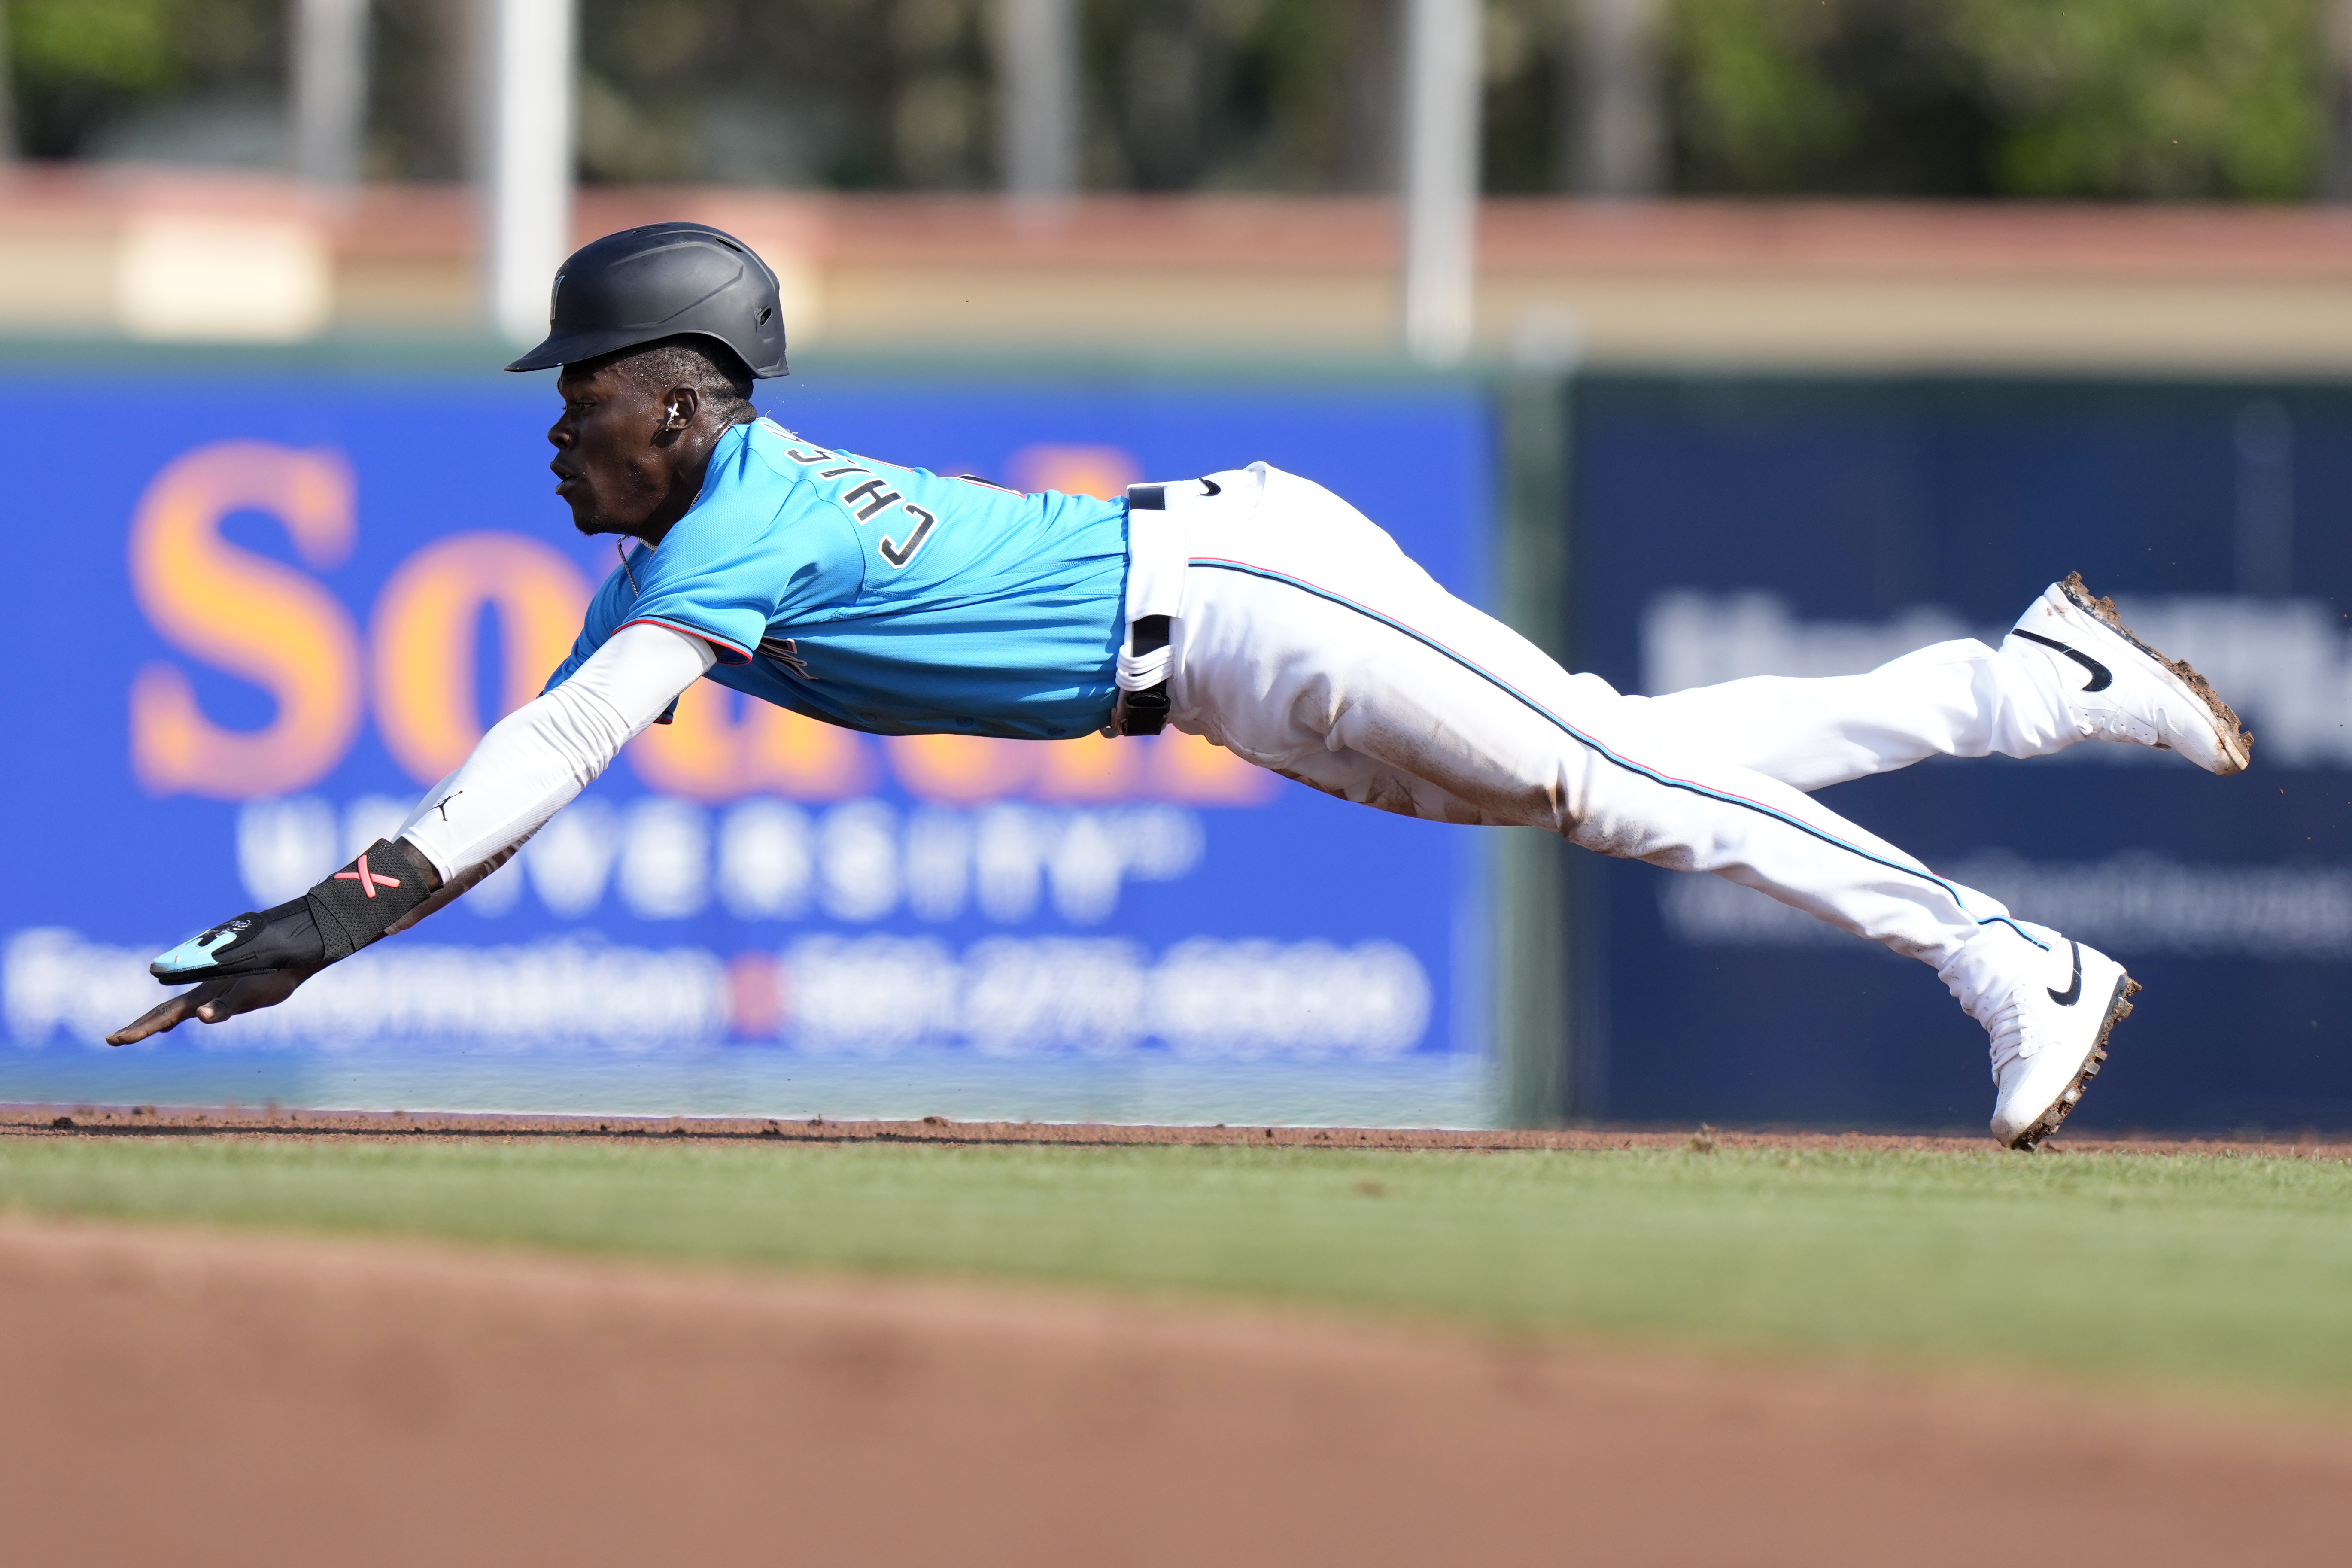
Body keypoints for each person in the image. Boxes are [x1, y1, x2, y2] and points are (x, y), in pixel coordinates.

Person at [108, 222, 2254, 1149]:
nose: (554, 430)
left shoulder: (727, 525)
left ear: (679, 398)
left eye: (580, 395)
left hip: (1240, 584)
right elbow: (536, 760)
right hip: (1216, 674)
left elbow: (542, 758)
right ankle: (2019, 685)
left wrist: (315, 923)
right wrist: (328, 924)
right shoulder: (700, 543)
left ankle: (2009, 957)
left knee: (1610, 776)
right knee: (1608, 757)